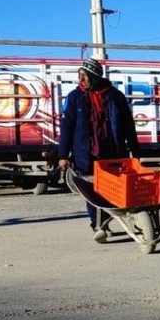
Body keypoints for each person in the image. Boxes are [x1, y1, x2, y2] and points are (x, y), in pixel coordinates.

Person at [58, 58, 140, 243]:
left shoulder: (115, 96)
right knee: (92, 192)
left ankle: (110, 221)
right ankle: (98, 225)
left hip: (113, 152)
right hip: (86, 155)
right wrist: (63, 155)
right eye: (80, 76)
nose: (83, 80)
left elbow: (128, 125)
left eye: (86, 77)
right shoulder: (74, 97)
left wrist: (135, 151)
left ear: (96, 77)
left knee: (114, 191)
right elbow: (67, 127)